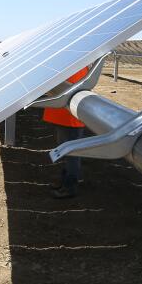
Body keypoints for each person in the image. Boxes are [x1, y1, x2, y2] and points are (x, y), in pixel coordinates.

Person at [42, 66, 89, 199]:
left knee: (72, 154)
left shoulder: (76, 64)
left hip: (70, 117)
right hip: (64, 115)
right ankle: (65, 181)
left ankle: (70, 187)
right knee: (66, 152)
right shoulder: (74, 63)